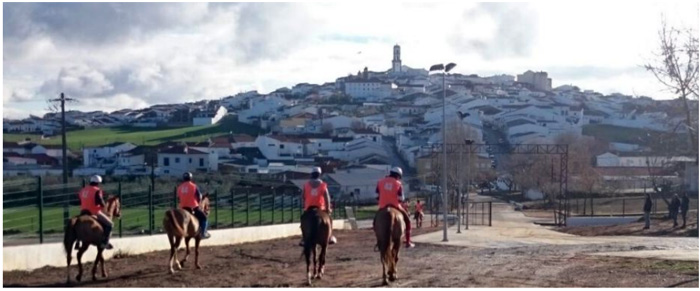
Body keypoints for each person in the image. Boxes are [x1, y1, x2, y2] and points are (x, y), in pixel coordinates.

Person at [376, 167, 415, 248]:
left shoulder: (380, 182)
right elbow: (401, 198)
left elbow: (376, 195)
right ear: (398, 176)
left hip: (382, 206)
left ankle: (379, 241)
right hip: (395, 206)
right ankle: (408, 242)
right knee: (408, 222)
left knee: (375, 223)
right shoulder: (398, 183)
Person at [299, 167, 337, 246]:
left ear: (311, 175)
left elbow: (302, 197)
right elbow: (327, 198)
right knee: (329, 219)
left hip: (308, 208)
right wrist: (328, 208)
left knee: (303, 220)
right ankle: (330, 236)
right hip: (321, 208)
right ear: (319, 175)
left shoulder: (306, 185)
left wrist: (304, 205)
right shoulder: (323, 185)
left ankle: (303, 238)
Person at [78, 175, 113, 250]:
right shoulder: (97, 190)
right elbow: (100, 200)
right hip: (94, 212)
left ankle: (77, 242)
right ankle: (105, 242)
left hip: (83, 211)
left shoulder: (83, 190)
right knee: (110, 224)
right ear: (98, 183)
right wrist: (104, 207)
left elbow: (80, 200)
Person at [177, 172, 210, 239]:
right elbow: (199, 197)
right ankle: (203, 233)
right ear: (191, 178)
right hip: (193, 207)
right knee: (204, 218)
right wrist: (198, 202)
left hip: (182, 207)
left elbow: (178, 197)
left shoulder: (179, 187)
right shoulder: (193, 186)